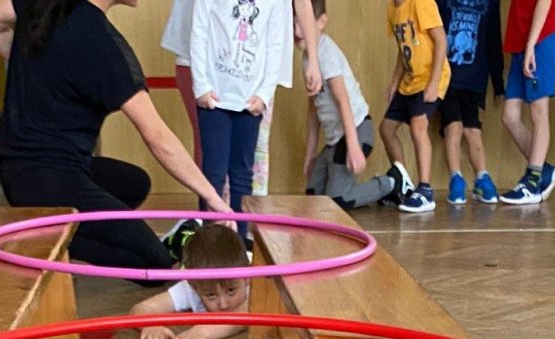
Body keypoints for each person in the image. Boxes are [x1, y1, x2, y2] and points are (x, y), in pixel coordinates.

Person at [0, 0, 226, 275]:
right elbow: (158, 137)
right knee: (156, 265)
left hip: (20, 172)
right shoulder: (101, 43)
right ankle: (47, 241)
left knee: (133, 183)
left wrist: (38, 67)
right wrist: (212, 197)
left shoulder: (48, 5)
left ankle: (61, 230)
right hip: (48, 182)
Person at [162, 0, 322, 180]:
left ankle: (244, 199)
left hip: (256, 67)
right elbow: (198, 30)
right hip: (203, 57)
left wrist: (313, 59)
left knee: (253, 155)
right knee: (212, 153)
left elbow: (302, 4)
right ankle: (213, 198)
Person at [188, 0, 294, 238]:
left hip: (249, 102)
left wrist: (264, 94)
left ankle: (240, 240)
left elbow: (275, 44)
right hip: (214, 99)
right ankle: (209, 241)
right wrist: (201, 85)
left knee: (242, 175)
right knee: (213, 172)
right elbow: (199, 31)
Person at [301, 0, 412, 209]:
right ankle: (362, 189)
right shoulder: (307, 59)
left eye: (303, 23)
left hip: (356, 130)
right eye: (293, 25)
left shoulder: (326, 52)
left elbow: (342, 100)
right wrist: (310, 154)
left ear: (321, 22)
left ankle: (392, 182)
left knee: (337, 202)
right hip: (335, 140)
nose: (298, 31)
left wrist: (353, 146)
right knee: (314, 197)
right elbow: (313, 108)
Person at [129, 222, 251, 339]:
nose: (223, 304)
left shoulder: (257, 283)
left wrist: (202, 331)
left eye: (231, 291)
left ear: (247, 278)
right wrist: (150, 326)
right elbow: (142, 308)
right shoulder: (194, 284)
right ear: (193, 285)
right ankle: (183, 232)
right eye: (211, 295)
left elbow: (240, 319)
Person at [381, 0, 451, 213]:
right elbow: (403, 49)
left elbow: (441, 41)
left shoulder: (421, 3)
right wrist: (394, 82)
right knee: (386, 129)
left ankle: (425, 190)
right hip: (410, 81)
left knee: (418, 126)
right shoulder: (393, 9)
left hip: (430, 79)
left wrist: (434, 83)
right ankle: (404, 184)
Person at [438, 0, 504, 205]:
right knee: (460, 128)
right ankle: (465, 180)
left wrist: (498, 82)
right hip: (449, 76)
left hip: (470, 78)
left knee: (467, 129)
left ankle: (475, 179)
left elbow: (493, 38)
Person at [498, 0, 555, 205]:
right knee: (510, 116)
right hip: (521, 41)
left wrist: (531, 44)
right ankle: (543, 169)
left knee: (538, 110)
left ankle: (533, 180)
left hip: (541, 38)